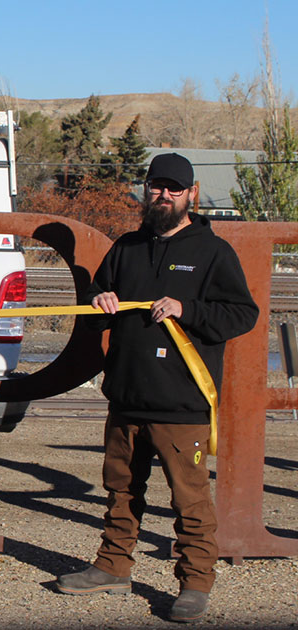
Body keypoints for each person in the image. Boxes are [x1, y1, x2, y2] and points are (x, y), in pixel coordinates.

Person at [51, 153, 258, 623]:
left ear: (191, 194)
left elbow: (243, 314)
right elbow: (94, 300)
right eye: (155, 186)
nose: (163, 195)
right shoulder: (126, 247)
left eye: (173, 188)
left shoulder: (213, 252)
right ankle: (112, 567)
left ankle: (195, 583)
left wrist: (188, 309)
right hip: (126, 398)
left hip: (181, 404)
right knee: (120, 491)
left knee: (190, 501)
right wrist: (98, 300)